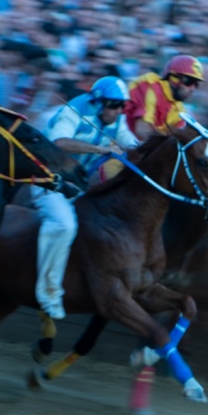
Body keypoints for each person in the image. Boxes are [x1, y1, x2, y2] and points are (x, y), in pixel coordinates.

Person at [35, 76, 139, 319]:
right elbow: (60, 142)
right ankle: (48, 293)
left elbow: (132, 144)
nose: (119, 111)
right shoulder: (75, 110)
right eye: (114, 105)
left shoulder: (118, 118)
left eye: (123, 106)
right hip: (46, 178)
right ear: (98, 102)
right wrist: (102, 150)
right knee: (64, 225)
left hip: (77, 186)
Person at [125, 54, 204, 141]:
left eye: (196, 84)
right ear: (173, 78)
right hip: (117, 133)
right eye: (188, 81)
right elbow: (142, 131)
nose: (192, 89)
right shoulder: (150, 85)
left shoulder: (180, 110)